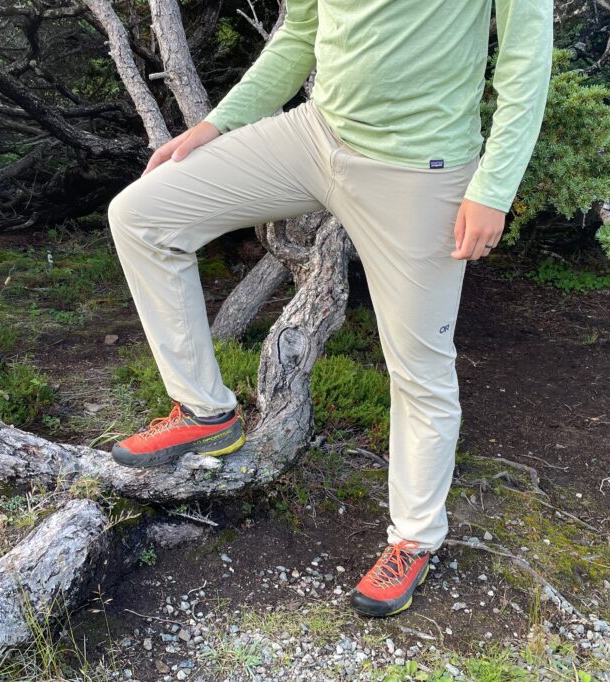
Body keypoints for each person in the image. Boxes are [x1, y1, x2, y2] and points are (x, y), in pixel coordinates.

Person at [106, 0, 553, 618]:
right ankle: (207, 411)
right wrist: (218, 123)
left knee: (419, 368)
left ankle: (414, 540)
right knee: (141, 216)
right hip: (315, 134)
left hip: (422, 169)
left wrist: (494, 188)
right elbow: (302, 35)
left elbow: (527, 64)